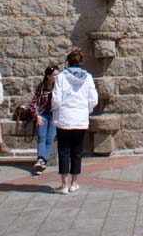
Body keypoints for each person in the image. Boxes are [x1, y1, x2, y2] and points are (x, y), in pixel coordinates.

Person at [52, 49, 98, 194]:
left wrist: (55, 110)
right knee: (77, 151)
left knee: (64, 150)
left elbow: (56, 99)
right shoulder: (88, 77)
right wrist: (86, 110)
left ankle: (63, 184)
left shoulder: (61, 77)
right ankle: (74, 183)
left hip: (65, 118)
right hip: (80, 118)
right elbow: (93, 99)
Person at [30, 65, 59, 174]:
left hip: (54, 116)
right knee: (42, 137)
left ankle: (41, 161)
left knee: (50, 138)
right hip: (42, 115)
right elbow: (33, 103)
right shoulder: (41, 87)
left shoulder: (59, 87)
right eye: (55, 75)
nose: (57, 77)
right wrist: (37, 116)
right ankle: (41, 160)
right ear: (48, 76)